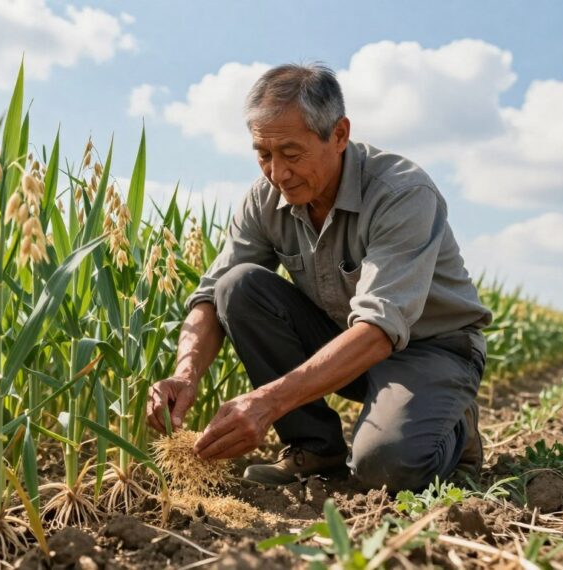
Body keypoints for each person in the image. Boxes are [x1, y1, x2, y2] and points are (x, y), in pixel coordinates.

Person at [145, 63, 492, 492]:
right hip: (346, 345)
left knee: (385, 468)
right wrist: (185, 373)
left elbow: (379, 329)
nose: (277, 173)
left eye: (291, 154)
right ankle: (315, 450)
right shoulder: (266, 199)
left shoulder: (401, 193)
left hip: (432, 350)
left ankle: (456, 428)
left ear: (339, 134)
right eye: (263, 154)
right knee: (237, 286)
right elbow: (210, 295)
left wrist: (267, 402)